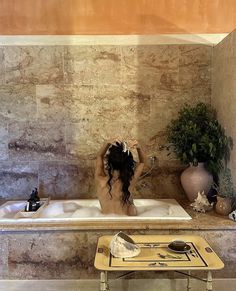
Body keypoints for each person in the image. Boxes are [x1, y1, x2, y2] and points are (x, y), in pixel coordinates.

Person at [95, 139, 146, 216]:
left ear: (109, 162)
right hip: (125, 224)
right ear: (128, 164)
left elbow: (99, 156)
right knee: (132, 207)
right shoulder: (129, 182)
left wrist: (107, 143)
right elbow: (143, 162)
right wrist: (138, 147)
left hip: (105, 223)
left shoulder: (100, 180)